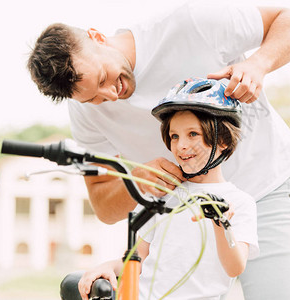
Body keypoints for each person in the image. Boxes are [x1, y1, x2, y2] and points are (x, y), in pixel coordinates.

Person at [28, 1, 290, 299]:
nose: (111, 95)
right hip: (184, 210)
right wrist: (137, 179)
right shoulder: (85, 114)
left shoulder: (190, 23)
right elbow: (103, 203)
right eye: (93, 98)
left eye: (103, 78)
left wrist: (258, 64)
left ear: (97, 37)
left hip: (266, 186)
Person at [77, 78, 259, 300]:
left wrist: (222, 225)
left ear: (223, 139)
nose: (181, 145)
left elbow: (235, 268)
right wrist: (109, 267)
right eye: (175, 136)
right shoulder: (164, 193)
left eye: (193, 134)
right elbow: (138, 258)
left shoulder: (239, 202)